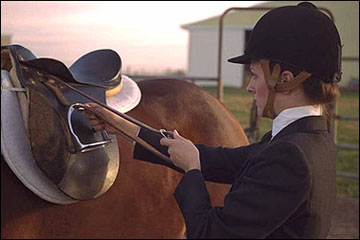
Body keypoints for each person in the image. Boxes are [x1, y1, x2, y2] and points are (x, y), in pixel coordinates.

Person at [85, 2, 342, 238]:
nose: (249, 87)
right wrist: (122, 125)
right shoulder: (310, 140)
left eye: (254, 75)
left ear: (285, 79)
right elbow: (223, 160)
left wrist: (193, 171)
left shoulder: (290, 156)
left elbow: (210, 233)